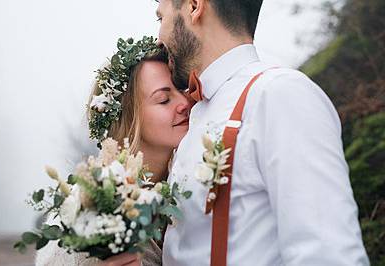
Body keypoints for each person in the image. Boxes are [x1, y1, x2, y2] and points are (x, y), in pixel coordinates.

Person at [155, 0, 370, 265]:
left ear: (194, 6)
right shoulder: (194, 114)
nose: (158, 38)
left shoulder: (279, 94)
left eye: (160, 19)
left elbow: (327, 253)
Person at [35, 48, 191, 266]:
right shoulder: (93, 207)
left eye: (183, 90)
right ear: (128, 118)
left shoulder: (190, 183)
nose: (185, 103)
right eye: (164, 99)